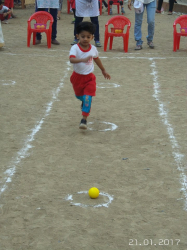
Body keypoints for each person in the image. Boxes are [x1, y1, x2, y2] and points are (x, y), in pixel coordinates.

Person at [69, 21, 111, 129]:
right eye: (83, 36)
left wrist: (103, 70)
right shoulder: (75, 48)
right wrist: (82, 59)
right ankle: (83, 102)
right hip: (77, 78)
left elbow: (96, 59)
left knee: (88, 97)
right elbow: (72, 59)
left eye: (88, 37)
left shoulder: (93, 49)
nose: (85, 39)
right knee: (80, 96)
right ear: (77, 36)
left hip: (89, 78)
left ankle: (84, 119)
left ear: (92, 37)